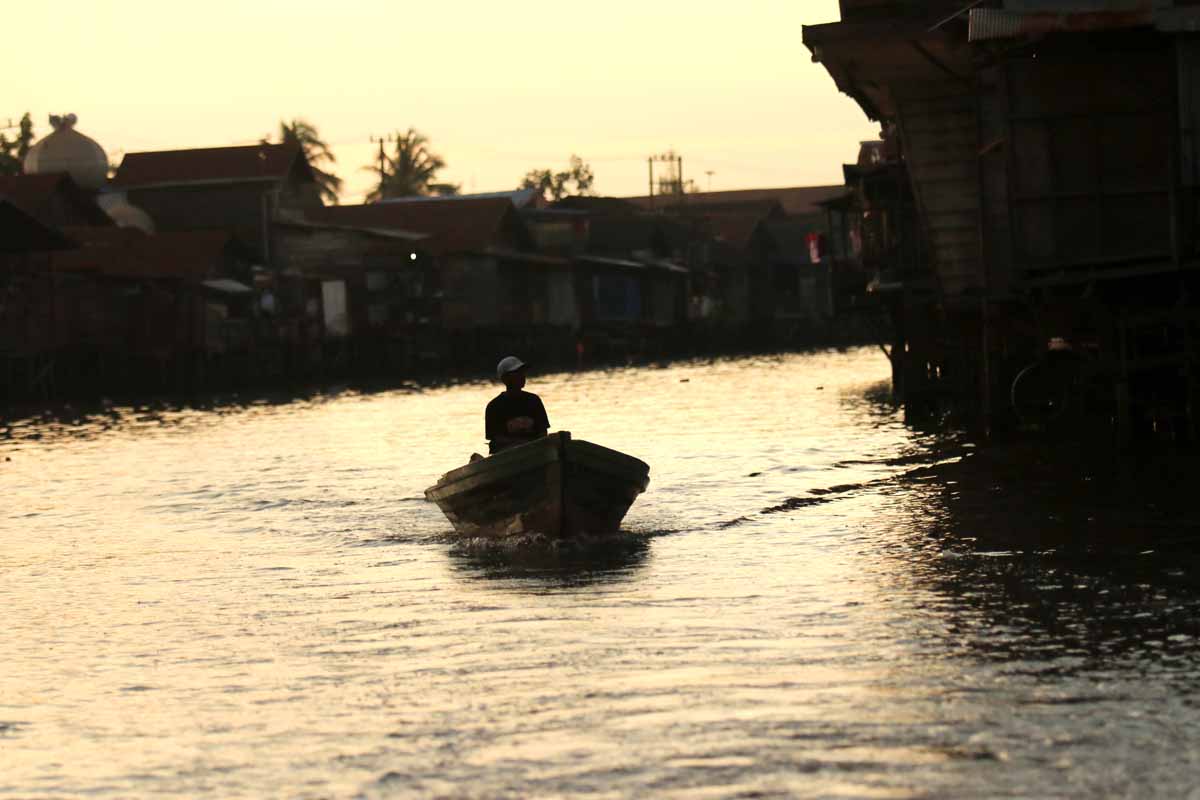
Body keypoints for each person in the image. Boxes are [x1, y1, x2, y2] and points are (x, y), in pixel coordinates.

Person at [485, 356, 549, 454]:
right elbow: (497, 439)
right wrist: (523, 445)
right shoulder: (494, 406)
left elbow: (542, 432)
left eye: (522, 372)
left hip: (534, 452)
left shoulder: (534, 400)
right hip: (506, 455)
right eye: (517, 373)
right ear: (505, 379)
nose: (522, 376)